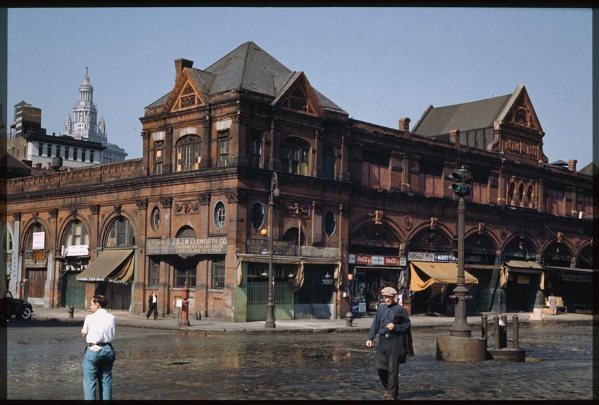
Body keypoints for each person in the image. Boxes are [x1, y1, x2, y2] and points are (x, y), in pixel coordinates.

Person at [365, 286, 413, 400]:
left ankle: (392, 394)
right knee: (379, 366)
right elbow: (375, 324)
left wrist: (395, 326)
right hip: (382, 341)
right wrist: (370, 338)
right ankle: (389, 387)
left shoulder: (400, 309)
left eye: (389, 297)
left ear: (394, 297)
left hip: (394, 341)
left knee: (393, 369)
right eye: (385, 297)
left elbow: (407, 325)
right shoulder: (381, 308)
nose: (387, 299)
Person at [81, 294, 116, 401]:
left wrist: (84, 333)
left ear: (98, 304)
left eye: (92, 304)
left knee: (90, 382)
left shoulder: (90, 317)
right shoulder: (112, 317)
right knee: (106, 380)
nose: (90, 306)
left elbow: (84, 333)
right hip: (108, 350)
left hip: (94, 350)